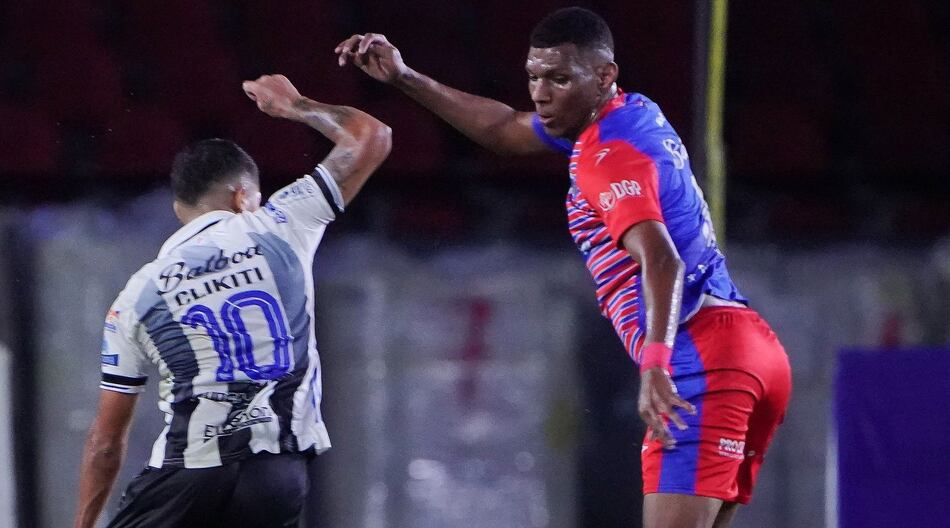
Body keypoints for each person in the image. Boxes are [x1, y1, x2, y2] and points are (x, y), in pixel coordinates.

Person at [336, 7, 791, 528]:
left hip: (702, 358)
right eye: (533, 77)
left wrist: (656, 364)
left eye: (559, 79)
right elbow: (504, 130)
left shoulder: (606, 156)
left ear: (604, 75)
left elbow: (661, 258)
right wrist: (404, 77)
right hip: (751, 348)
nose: (540, 94)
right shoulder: (633, 112)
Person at [73, 74, 391, 528]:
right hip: (280, 476)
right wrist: (295, 105)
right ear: (244, 196)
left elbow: (105, 444)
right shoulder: (281, 223)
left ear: (179, 210)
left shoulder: (138, 295)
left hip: (187, 477)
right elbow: (372, 136)